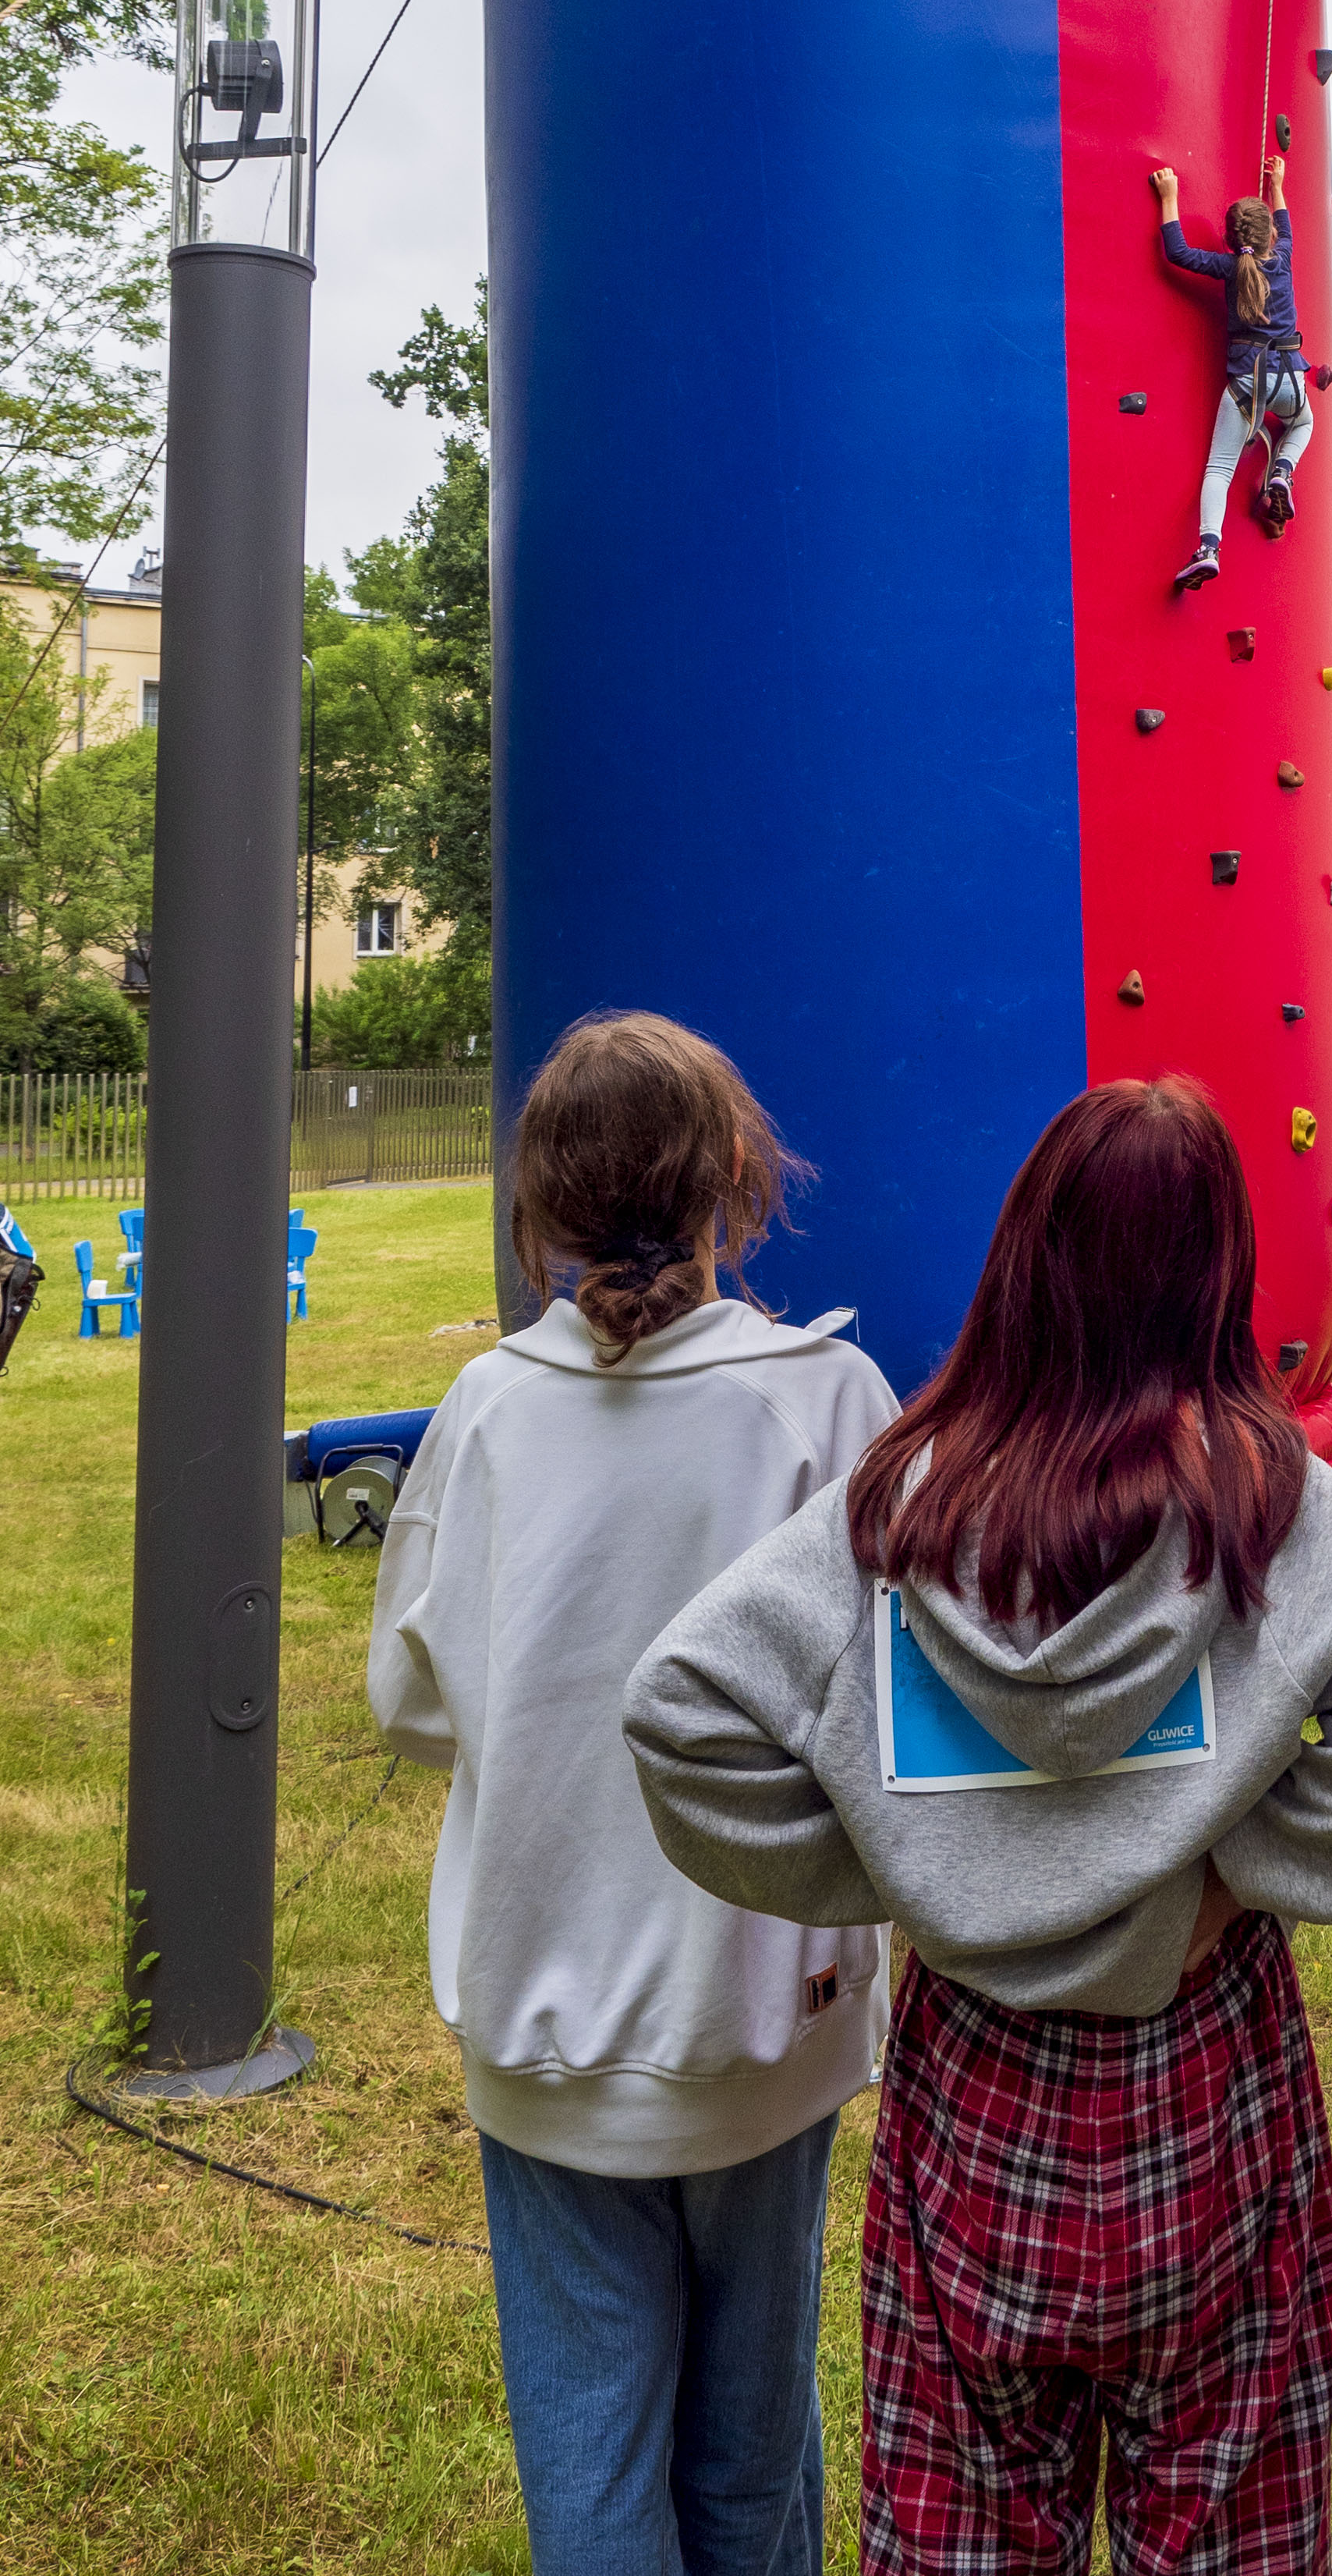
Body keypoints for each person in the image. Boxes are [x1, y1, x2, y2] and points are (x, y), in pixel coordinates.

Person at [623, 1078, 1332, 2576]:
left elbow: (679, 1713)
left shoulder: (902, 1492)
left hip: (973, 2093)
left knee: (963, 2528)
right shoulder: (1267, 1493)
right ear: (1219, 1265)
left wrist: (923, 1872)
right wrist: (1230, 1862)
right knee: (1226, 2529)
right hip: (1210, 2082)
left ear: (1023, 1251)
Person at [368, 1012, 898, 2576]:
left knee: (591, 2464)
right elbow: (890, 1711)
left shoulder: (485, 1414)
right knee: (752, 2444)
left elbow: (408, 1700)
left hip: (540, 2008)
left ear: (538, 1204)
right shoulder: (827, 1400)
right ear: (738, 1172)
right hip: (764, 2011)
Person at [1151, 157, 1313, 590]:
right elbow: (1285, 223)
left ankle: (1208, 548)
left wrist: (1169, 198)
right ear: (1271, 237)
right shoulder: (1282, 258)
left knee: (1219, 469)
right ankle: (1282, 469)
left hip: (1247, 384)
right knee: (1304, 423)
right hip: (1290, 380)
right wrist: (1277, 182)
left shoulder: (1229, 268)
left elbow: (1178, 252)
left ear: (1230, 241)